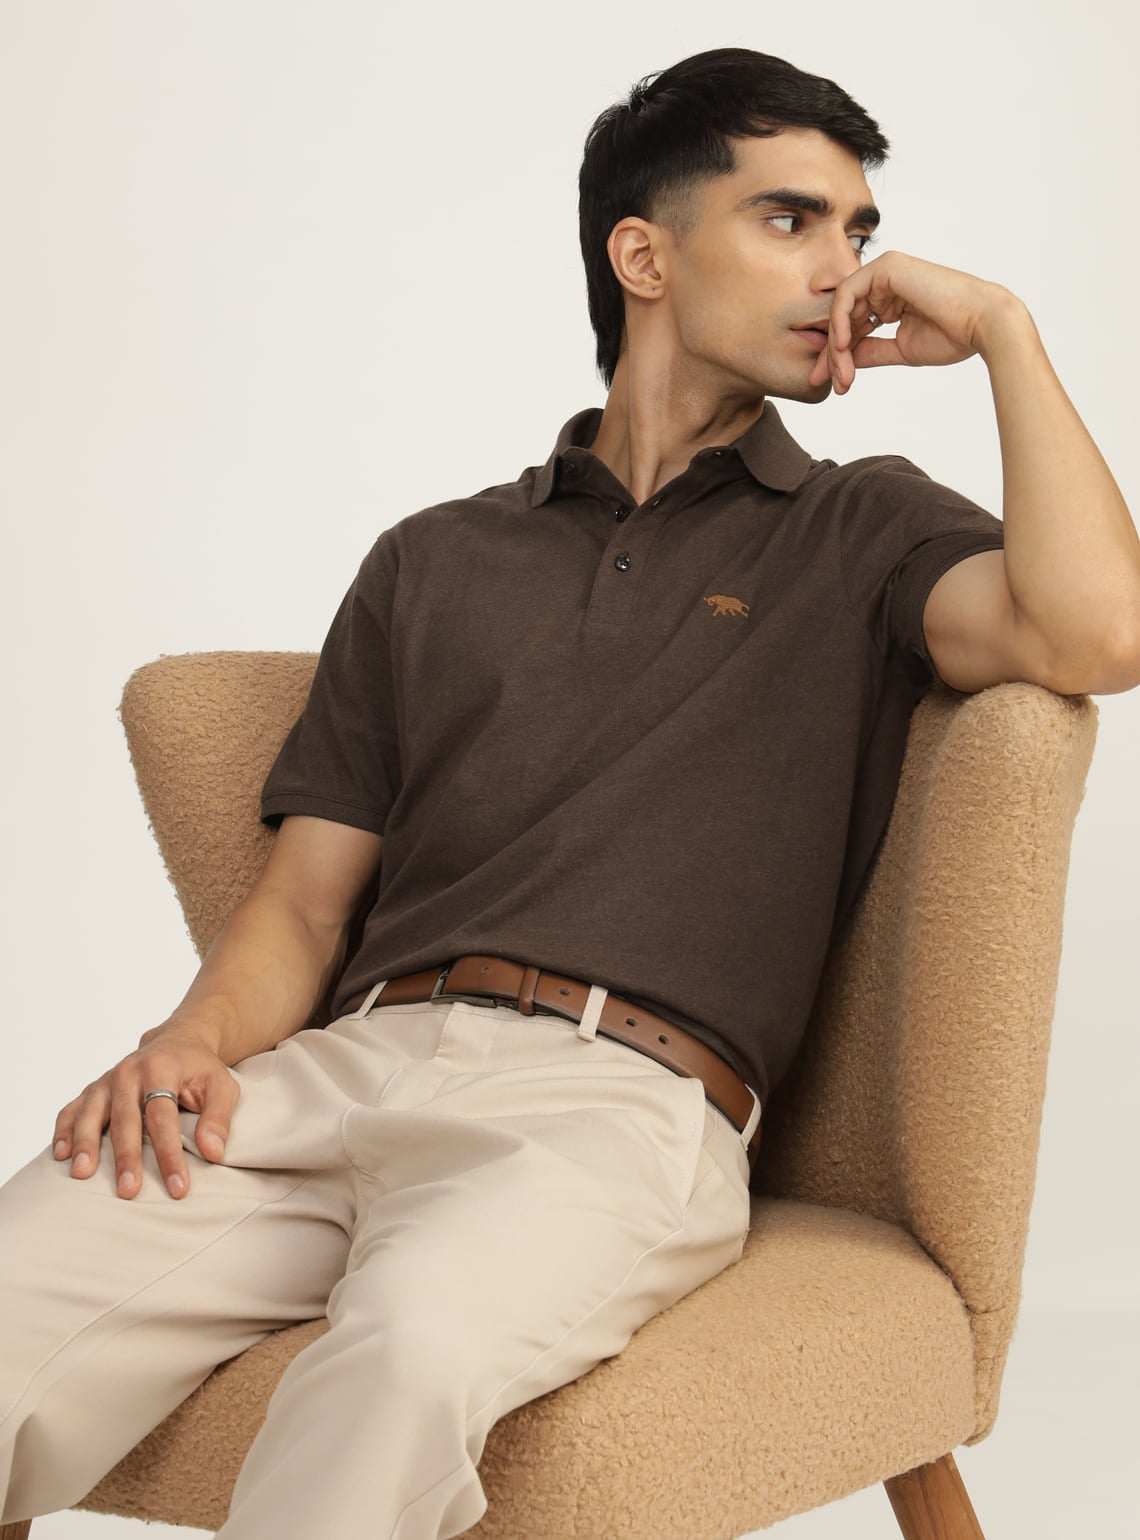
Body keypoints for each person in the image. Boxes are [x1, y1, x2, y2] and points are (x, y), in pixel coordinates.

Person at [5, 42, 1124, 1540]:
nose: (847, 268)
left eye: (859, 228)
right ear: (643, 256)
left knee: (403, 1361)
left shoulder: (863, 529)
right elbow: (306, 904)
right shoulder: (434, 558)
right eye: (791, 218)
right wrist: (187, 1046)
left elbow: (1098, 635)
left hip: (611, 1108)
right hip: (342, 1069)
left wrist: (1005, 335)